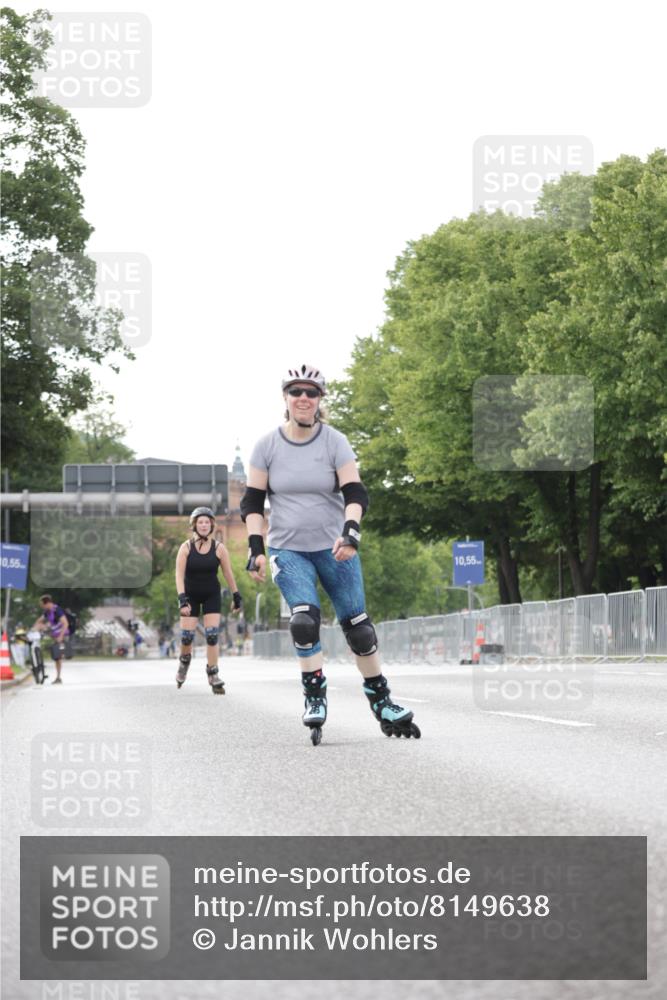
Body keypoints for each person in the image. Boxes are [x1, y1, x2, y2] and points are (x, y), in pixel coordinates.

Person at [241, 363, 421, 745]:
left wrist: (350, 532)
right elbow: (252, 502)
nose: (303, 398)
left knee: (359, 628)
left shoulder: (335, 441)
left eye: (311, 392)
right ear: (285, 398)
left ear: (320, 399)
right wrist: (256, 548)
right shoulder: (266, 446)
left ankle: (382, 702)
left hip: (334, 548)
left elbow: (355, 492)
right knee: (304, 621)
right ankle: (314, 695)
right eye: (296, 391)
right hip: (288, 549)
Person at [174, 506, 242, 694]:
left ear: (211, 525)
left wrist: (236, 595)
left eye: (207, 522)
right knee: (187, 637)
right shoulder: (186, 547)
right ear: (194, 525)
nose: (204, 525)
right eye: (200, 522)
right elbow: (178, 575)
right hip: (190, 595)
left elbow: (228, 573)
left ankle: (213, 673)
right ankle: (184, 663)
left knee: (212, 635)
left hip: (211, 593)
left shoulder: (219, 548)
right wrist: (182, 599)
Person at [32, 595, 69, 684]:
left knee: (58, 657)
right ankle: (57, 677)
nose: (41, 607)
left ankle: (58, 677)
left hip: (62, 634)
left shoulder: (57, 610)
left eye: (42, 605)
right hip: (54, 634)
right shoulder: (47, 611)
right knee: (56, 657)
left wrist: (61, 636)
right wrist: (34, 628)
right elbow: (39, 621)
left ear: (48, 603)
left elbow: (65, 623)